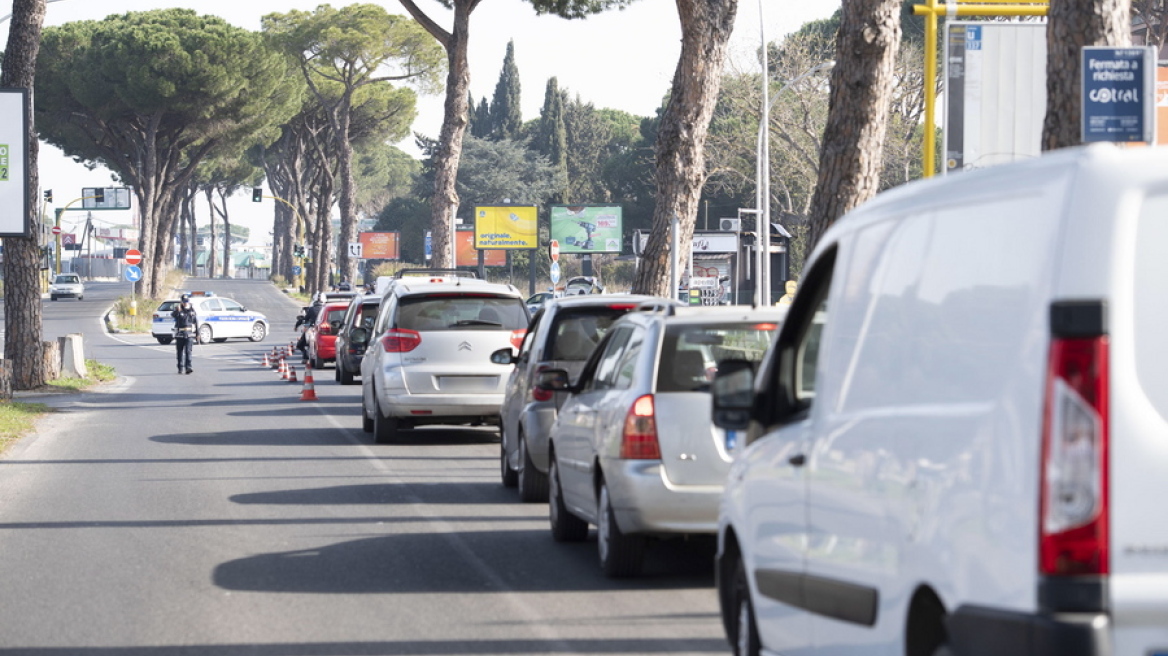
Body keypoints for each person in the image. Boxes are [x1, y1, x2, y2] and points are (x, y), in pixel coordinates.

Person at [172, 294, 198, 374]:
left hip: (189, 333)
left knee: (188, 351)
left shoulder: (192, 310)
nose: (185, 303)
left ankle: (188, 367)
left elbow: (196, 322)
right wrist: (178, 310)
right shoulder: (178, 310)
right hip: (180, 334)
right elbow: (174, 315)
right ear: (181, 302)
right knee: (179, 352)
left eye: (186, 301)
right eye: (184, 302)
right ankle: (180, 367)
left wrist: (198, 334)